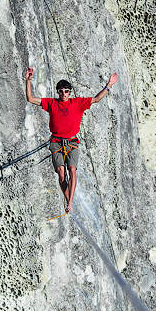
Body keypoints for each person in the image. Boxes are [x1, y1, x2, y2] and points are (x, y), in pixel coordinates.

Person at [24, 67, 119, 214]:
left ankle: (70, 201)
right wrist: (28, 81)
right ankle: (68, 201)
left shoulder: (78, 103)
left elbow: (96, 99)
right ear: (58, 92)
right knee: (61, 173)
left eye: (66, 91)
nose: (64, 94)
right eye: (61, 91)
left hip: (72, 142)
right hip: (56, 142)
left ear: (70, 92)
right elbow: (30, 99)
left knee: (72, 170)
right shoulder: (51, 103)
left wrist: (109, 85)